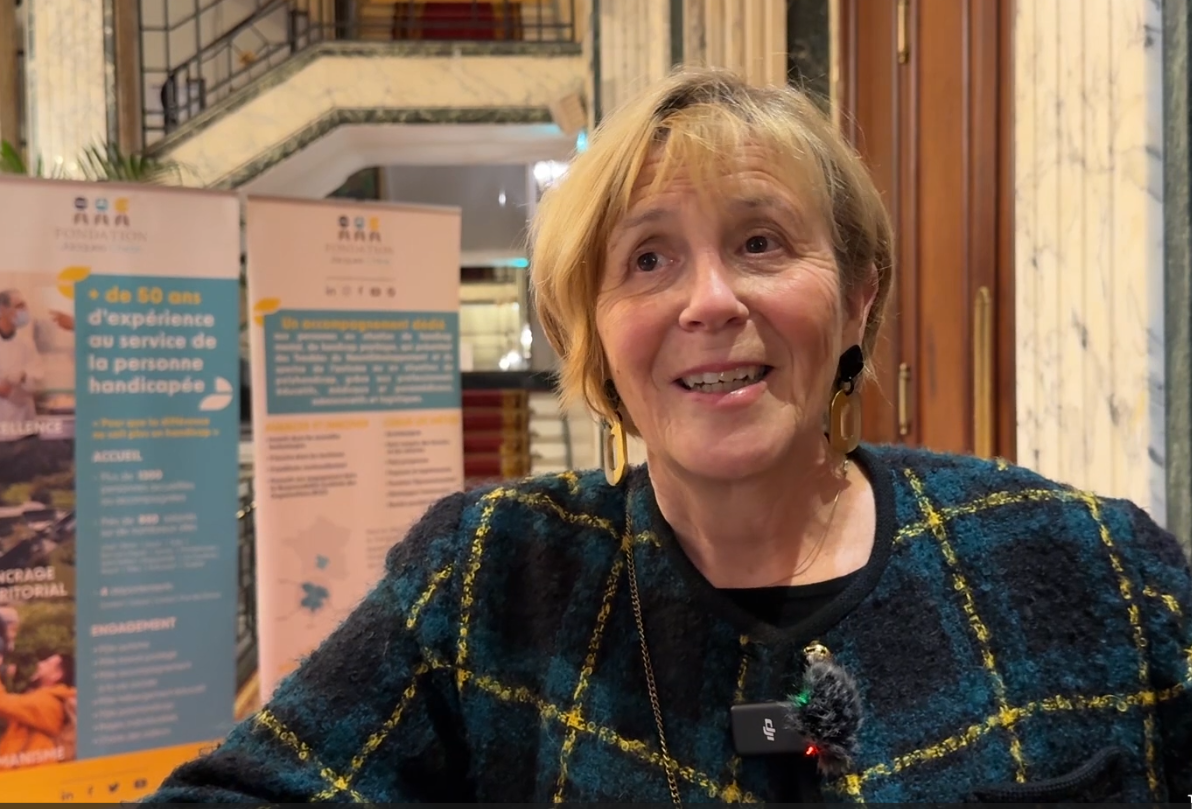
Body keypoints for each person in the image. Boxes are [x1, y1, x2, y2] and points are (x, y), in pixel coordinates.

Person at [141, 68, 1191, 803]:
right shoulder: (492, 578)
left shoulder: (1085, 562)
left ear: (858, 299)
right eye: (647, 259)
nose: (710, 300)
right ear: (593, 334)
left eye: (761, 241)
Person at [0, 651, 76, 769]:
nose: (39, 664)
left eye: (47, 663)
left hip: (26, 774)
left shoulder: (50, 703)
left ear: (56, 675)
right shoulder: (42, 700)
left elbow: (3, 702)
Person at [0, 289, 45, 433]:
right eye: (19, 306)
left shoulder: (26, 343)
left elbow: (38, 378)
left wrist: (23, 376)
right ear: (2, 310)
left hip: (24, 425)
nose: (24, 311)